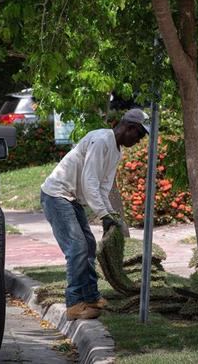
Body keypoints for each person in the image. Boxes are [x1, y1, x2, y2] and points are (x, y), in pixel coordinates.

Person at [40, 108, 149, 320]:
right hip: (56, 195)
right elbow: (89, 181)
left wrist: (109, 214)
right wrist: (103, 215)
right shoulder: (101, 140)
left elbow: (103, 187)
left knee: (88, 245)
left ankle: (91, 297)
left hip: (71, 199)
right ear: (129, 128)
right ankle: (73, 305)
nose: (140, 141)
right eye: (139, 135)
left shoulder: (116, 150)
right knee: (77, 248)